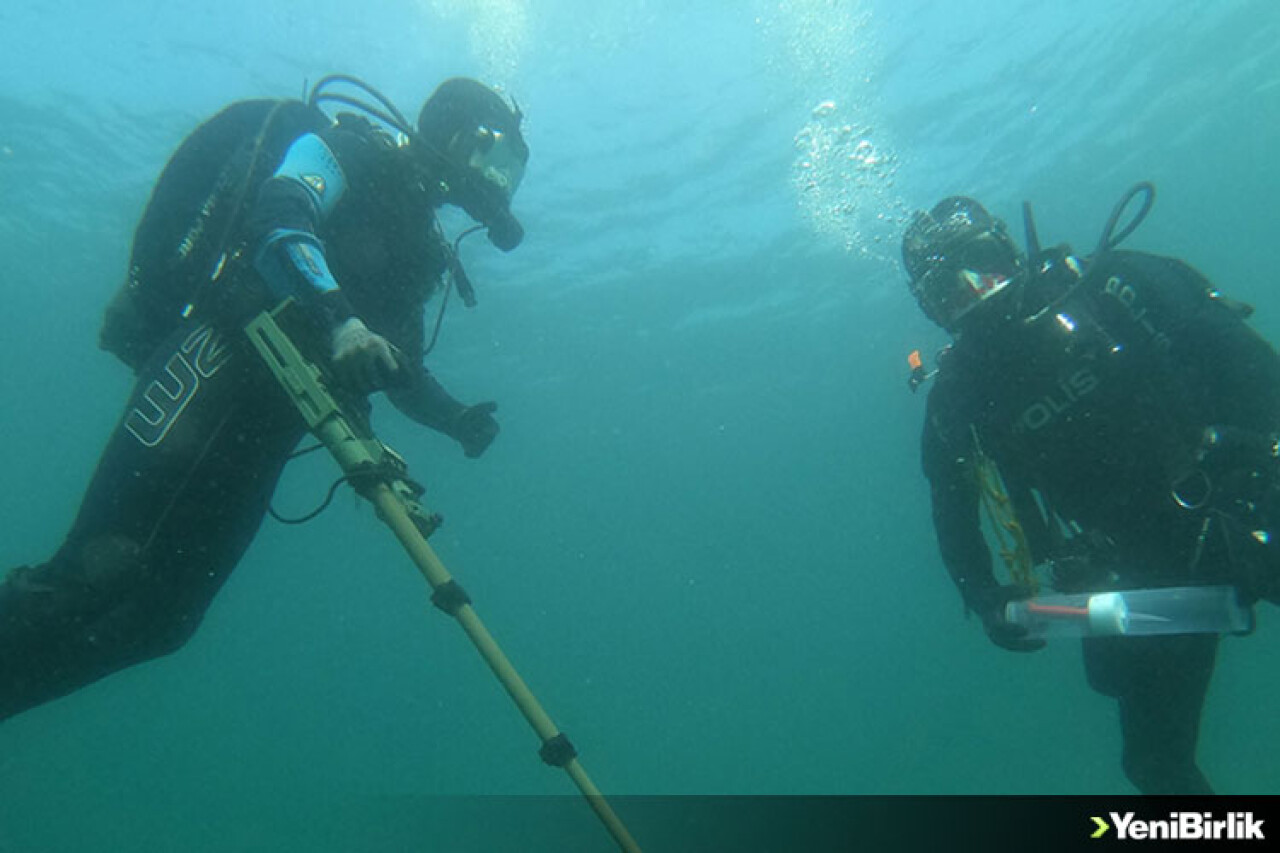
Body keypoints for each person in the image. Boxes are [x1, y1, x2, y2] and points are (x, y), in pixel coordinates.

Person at [0, 75, 529, 721]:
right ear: (453, 133)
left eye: (510, 170)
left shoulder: (422, 248)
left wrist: (455, 418)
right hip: (216, 358)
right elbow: (281, 214)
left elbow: (400, 364)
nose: (497, 182)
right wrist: (344, 320)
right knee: (93, 571)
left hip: (273, 426)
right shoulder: (348, 150)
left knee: (164, 620)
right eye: (492, 156)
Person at [904, 187, 1280, 794]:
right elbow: (950, 505)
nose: (975, 291)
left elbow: (1254, 369)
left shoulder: (1114, 287)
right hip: (1139, 572)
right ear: (932, 311)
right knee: (1156, 767)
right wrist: (984, 596)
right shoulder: (960, 396)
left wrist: (1255, 457)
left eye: (982, 265)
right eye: (949, 289)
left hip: (1247, 496)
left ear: (1008, 247)